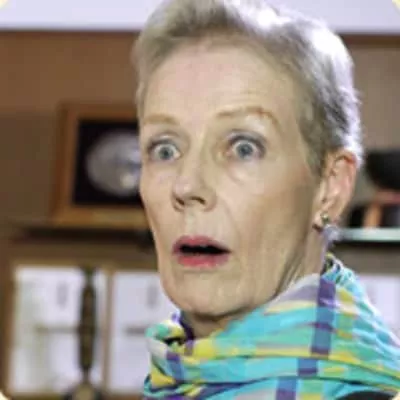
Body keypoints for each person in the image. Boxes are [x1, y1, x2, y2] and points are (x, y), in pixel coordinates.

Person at [133, 0, 400, 398]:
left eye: (244, 148)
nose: (186, 186)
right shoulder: (170, 380)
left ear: (330, 187)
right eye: (165, 149)